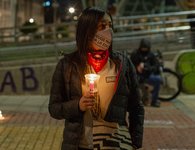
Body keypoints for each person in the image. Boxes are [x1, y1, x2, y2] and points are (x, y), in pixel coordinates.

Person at [49, 7, 144, 150]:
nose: (108, 30)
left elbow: (136, 106)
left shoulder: (122, 63)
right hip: (79, 145)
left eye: (110, 25)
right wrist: (78, 106)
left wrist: (135, 142)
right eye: (102, 26)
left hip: (115, 144)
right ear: (87, 30)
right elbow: (54, 109)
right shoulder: (67, 65)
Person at [130, 39, 162, 107]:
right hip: (136, 76)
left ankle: (154, 101)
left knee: (158, 79)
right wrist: (137, 67)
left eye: (146, 48)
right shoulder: (135, 53)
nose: (144, 50)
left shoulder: (150, 54)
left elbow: (156, 66)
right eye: (143, 48)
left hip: (147, 75)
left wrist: (148, 68)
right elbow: (129, 65)